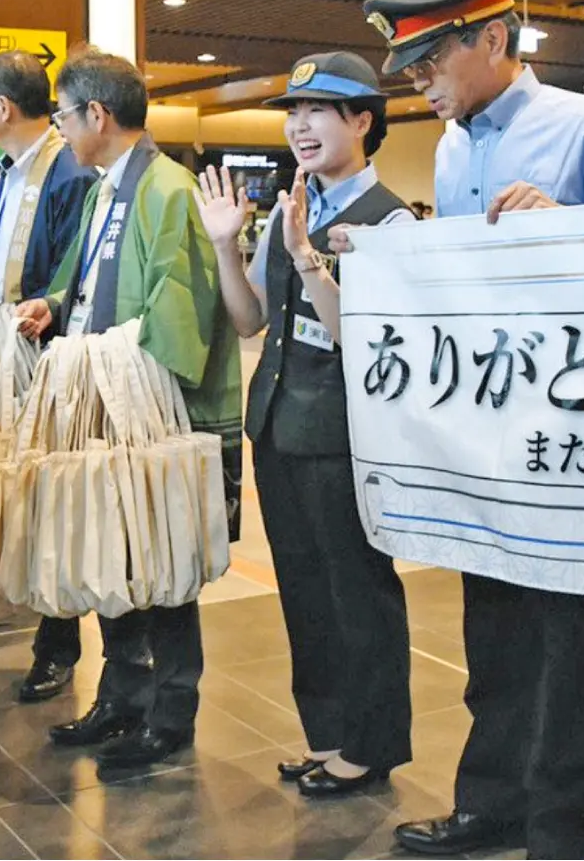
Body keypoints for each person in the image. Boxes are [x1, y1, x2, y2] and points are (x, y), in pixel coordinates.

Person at [341, 0, 584, 859]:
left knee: (571, 647)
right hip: (489, 434)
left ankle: (559, 830)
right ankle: (491, 801)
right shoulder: (450, 147)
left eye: (432, 59)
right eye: (410, 69)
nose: (420, 82)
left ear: (493, 40)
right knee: (497, 633)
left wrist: (568, 224)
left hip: (573, 435)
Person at [195, 52, 413, 795]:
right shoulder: (298, 206)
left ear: (362, 121)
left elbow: (367, 336)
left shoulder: (389, 218)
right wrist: (228, 244)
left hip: (344, 437)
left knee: (357, 591)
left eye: (320, 110)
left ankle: (371, 741)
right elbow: (250, 315)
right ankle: (327, 734)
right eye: (293, 111)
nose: (300, 125)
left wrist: (309, 261)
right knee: (305, 593)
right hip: (280, 426)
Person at [19, 46, 242, 771]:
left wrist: (116, 372)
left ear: (97, 114)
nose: (60, 128)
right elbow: (77, 282)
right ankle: (122, 695)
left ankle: (170, 711)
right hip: (103, 401)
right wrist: (48, 305)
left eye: (62, 115)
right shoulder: (103, 188)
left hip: (147, 409)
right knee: (112, 556)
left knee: (163, 563)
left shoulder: (167, 188)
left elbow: (180, 315)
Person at [0, 51, 97, 703]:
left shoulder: (67, 169)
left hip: (34, 347)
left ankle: (57, 642)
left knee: (47, 493)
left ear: (2, 107)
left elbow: (70, 275)